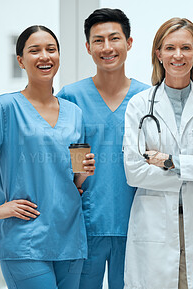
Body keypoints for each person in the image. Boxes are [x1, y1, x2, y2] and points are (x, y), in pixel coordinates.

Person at [0, 25, 95, 289]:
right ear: (21, 60)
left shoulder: (75, 113)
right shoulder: (6, 108)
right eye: (34, 50)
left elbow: (76, 179)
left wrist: (84, 171)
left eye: (51, 49)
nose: (45, 56)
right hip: (25, 240)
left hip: (70, 238)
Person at [122, 18, 193, 289]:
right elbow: (134, 172)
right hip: (154, 224)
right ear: (158, 54)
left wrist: (168, 161)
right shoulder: (139, 105)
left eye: (186, 47)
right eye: (170, 48)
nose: (178, 55)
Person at [56, 8, 149, 289]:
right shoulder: (70, 97)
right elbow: (60, 159)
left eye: (114, 38)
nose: (107, 47)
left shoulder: (148, 98)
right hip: (85, 225)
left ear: (129, 43)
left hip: (137, 223)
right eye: (98, 40)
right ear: (88, 47)